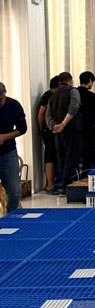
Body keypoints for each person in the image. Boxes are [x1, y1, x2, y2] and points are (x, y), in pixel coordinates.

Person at [46, 72, 82, 194]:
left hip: (58, 133)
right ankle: (69, 188)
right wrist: (63, 124)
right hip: (72, 130)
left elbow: (48, 116)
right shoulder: (73, 91)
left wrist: (53, 126)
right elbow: (74, 107)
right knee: (71, 158)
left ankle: (63, 185)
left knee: (61, 159)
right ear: (70, 80)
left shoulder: (53, 95)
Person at [0, 82, 27, 213]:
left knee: (14, 191)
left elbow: (22, 128)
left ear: (4, 95)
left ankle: (12, 217)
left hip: (8, 152)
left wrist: (4, 137)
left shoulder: (13, 105)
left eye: (0, 99)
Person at [38, 76, 59, 192]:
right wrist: (42, 128)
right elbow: (41, 113)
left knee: (51, 156)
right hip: (51, 129)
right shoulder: (50, 96)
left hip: (49, 129)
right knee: (50, 157)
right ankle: (50, 184)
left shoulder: (47, 95)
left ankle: (50, 183)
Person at [78, 71, 95, 170]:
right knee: (88, 154)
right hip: (88, 128)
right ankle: (86, 173)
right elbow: (93, 114)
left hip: (75, 127)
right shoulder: (92, 96)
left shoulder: (74, 93)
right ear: (90, 81)